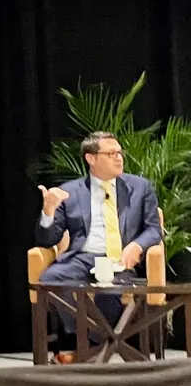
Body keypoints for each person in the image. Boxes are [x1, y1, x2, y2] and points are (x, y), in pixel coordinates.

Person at [36, 130, 161, 360]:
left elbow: (154, 229)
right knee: (50, 280)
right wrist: (48, 212)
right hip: (82, 258)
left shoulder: (140, 188)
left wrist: (136, 246)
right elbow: (47, 240)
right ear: (91, 158)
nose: (119, 157)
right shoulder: (70, 191)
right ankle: (99, 343)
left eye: (119, 152)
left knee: (108, 294)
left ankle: (86, 351)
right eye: (111, 153)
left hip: (119, 259)